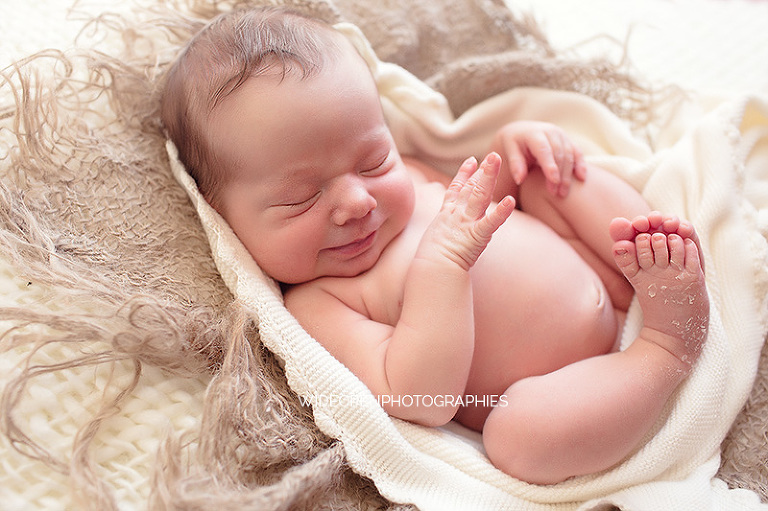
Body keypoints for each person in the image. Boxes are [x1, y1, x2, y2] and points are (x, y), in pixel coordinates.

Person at [161, 6, 709, 485]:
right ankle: (666, 348)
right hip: (571, 389)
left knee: (548, 174)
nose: (357, 201)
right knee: (519, 442)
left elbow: (488, 200)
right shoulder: (320, 304)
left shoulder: (415, 181)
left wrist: (511, 153)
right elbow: (422, 397)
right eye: (301, 198)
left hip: (608, 275)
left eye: (374, 161)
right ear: (224, 218)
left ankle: (664, 252)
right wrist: (440, 269)